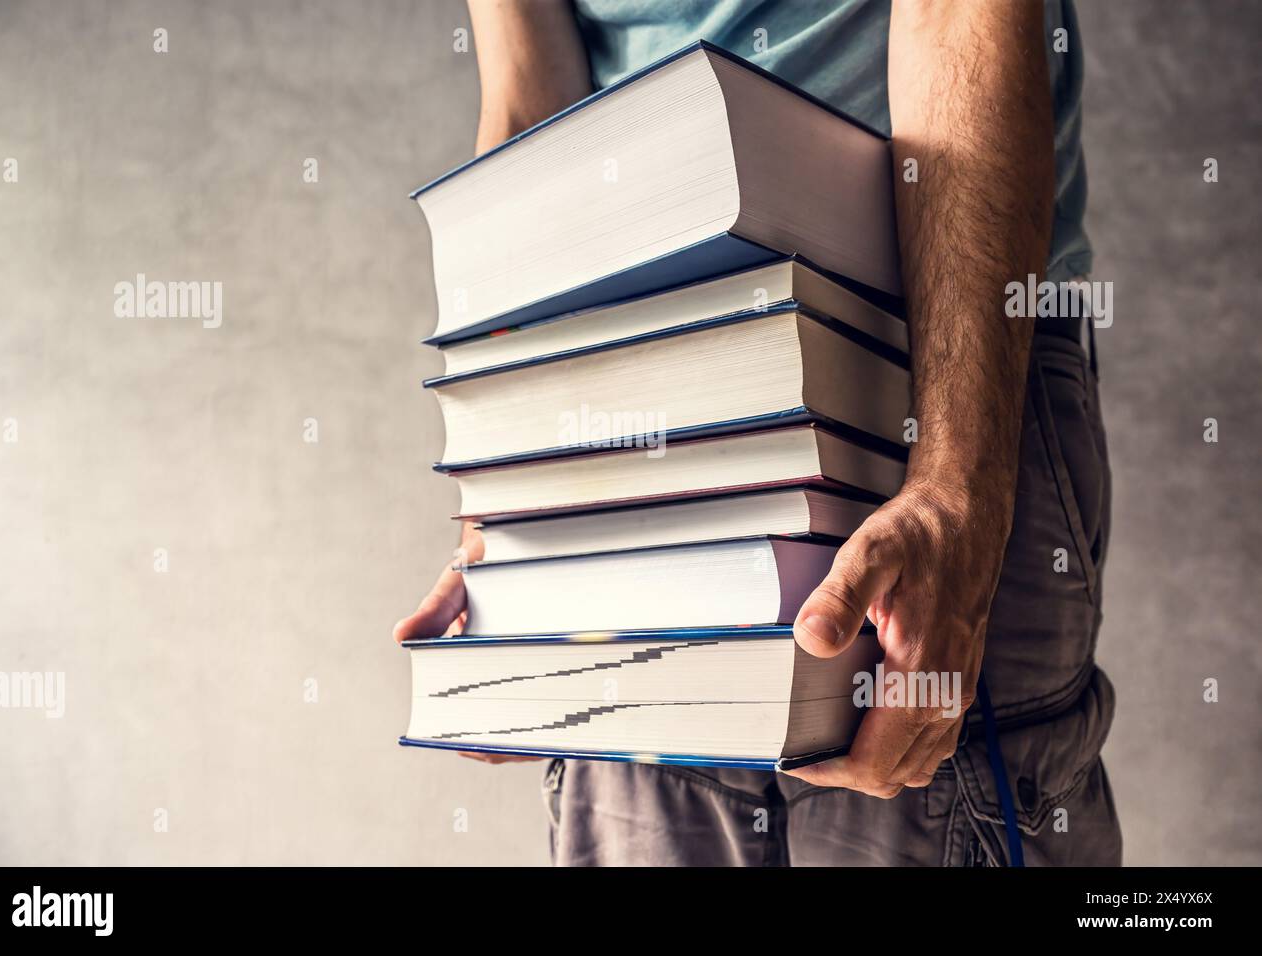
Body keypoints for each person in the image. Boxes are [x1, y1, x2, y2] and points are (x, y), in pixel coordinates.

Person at [396, 0, 1120, 866]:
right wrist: (520, 501)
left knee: (927, 775)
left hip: (943, 340)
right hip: (637, 373)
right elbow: (527, 107)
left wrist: (954, 485)